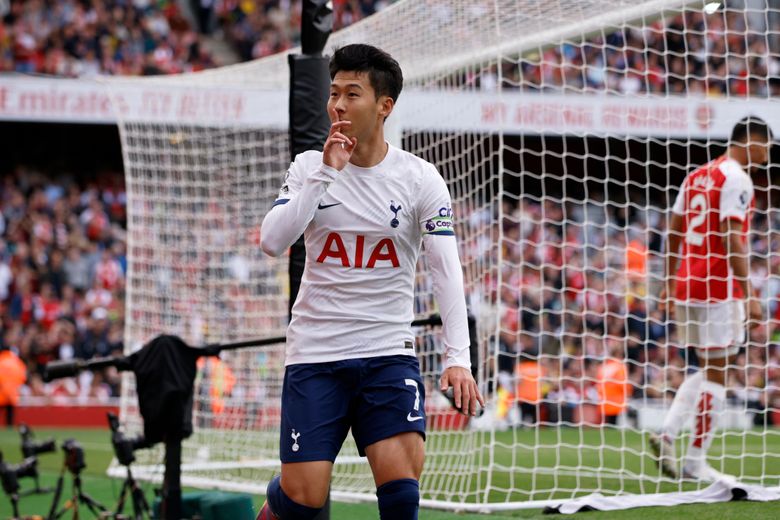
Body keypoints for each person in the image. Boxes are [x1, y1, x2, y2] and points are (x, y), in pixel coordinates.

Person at [257, 44, 483, 520]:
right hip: (317, 353)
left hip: (387, 353)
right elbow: (272, 242)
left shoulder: (420, 179)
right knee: (303, 498)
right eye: (333, 92)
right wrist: (325, 174)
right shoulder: (306, 167)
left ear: (384, 105)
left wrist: (458, 359)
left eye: (352, 94)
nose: (337, 104)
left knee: (402, 493)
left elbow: (446, 270)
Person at [652, 116, 774, 481]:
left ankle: (668, 432)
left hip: (688, 285)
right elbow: (732, 236)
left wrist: (669, 282)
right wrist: (749, 293)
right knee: (720, 373)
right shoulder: (737, 177)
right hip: (719, 286)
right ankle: (695, 461)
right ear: (750, 141)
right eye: (767, 146)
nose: (768, 154)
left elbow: (672, 232)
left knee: (707, 368)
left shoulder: (696, 175)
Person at [0, 344, 27, 429]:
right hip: (12, 393)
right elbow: (23, 376)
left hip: (1, 392)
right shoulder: (17, 362)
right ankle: (9, 426)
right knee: (10, 414)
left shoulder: (1, 360)